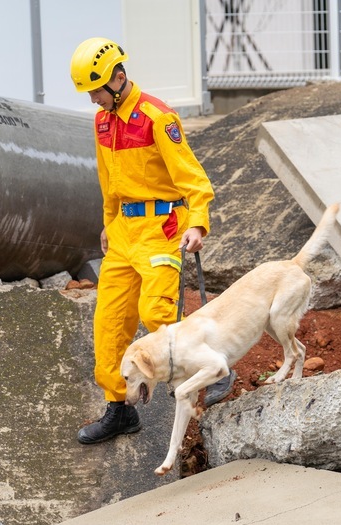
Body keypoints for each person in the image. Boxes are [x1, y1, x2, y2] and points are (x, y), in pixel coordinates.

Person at [70, 37, 236, 444]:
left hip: (163, 229)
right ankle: (119, 409)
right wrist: (109, 223)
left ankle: (218, 368)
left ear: (118, 79)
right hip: (125, 235)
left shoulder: (158, 118)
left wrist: (197, 223)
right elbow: (108, 182)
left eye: (95, 90)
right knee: (108, 325)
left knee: (156, 313)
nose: (92, 100)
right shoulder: (102, 122)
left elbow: (193, 178)